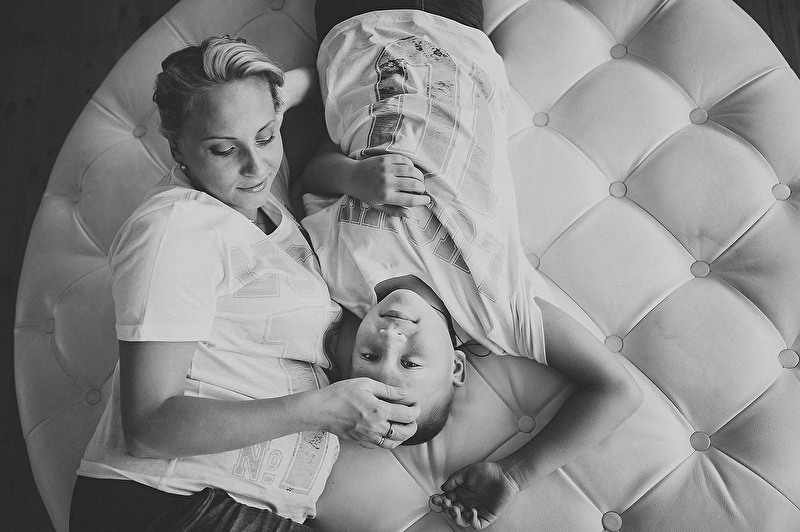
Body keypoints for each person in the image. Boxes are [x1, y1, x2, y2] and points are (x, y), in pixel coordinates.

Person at [300, 1, 645, 528]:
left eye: (369, 354)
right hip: (451, 34)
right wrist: (515, 474)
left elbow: (311, 176)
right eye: (410, 363)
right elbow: (617, 391)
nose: (390, 337)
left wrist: (351, 177)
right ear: (457, 367)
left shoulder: (337, 276)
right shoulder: (496, 311)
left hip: (355, 31)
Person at [69, 36, 421, 532]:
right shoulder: (175, 228)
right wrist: (322, 409)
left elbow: (312, 86)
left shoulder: (259, 197)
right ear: (178, 147)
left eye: (267, 136)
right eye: (223, 149)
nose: (256, 167)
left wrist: (348, 168)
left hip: (243, 507)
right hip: (168, 503)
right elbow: (148, 428)